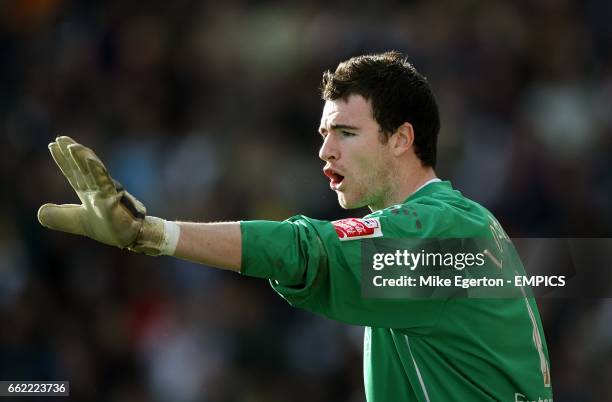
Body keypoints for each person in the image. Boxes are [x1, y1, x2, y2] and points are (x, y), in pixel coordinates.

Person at [38, 51, 553, 401]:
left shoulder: (442, 232)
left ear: (401, 139)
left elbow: (306, 251)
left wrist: (151, 233)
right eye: (324, 133)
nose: (325, 150)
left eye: (347, 133)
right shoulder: (452, 226)